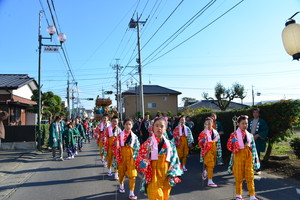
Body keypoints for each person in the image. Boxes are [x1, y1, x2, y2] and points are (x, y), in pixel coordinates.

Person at [135, 117, 183, 200]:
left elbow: (175, 160)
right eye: (156, 126)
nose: (159, 128)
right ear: (153, 128)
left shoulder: (170, 144)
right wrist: (142, 161)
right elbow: (139, 156)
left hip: (166, 174)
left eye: (162, 126)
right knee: (156, 196)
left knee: (164, 196)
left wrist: (174, 173)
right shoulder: (148, 143)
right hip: (153, 174)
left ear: (165, 129)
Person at [227, 115, 260, 200]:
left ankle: (252, 195)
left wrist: (255, 161)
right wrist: (232, 142)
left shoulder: (250, 135)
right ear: (238, 124)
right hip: (238, 155)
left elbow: (253, 148)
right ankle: (238, 195)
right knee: (238, 176)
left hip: (248, 156)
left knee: (250, 175)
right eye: (243, 123)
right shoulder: (234, 134)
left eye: (246, 123)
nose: (245, 125)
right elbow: (229, 147)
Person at [113, 118, 140, 200]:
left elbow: (137, 148)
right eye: (126, 124)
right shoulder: (119, 135)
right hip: (122, 155)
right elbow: (116, 147)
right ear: (123, 125)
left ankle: (131, 192)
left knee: (132, 175)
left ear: (132, 126)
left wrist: (136, 158)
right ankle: (121, 185)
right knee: (121, 172)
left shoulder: (135, 137)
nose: (128, 126)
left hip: (132, 157)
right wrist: (117, 156)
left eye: (130, 124)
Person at [198, 117, 222, 187]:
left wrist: (219, 152)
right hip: (207, 150)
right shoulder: (203, 133)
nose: (208, 124)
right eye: (207, 123)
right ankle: (210, 181)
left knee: (212, 164)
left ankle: (205, 171)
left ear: (212, 123)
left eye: (210, 123)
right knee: (210, 164)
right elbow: (200, 142)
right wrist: (202, 141)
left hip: (214, 149)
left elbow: (218, 142)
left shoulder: (215, 132)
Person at [248, 108, 269, 174]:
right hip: (250, 140)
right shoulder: (250, 120)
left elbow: (265, 130)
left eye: (256, 112)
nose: (255, 114)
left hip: (257, 141)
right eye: (254, 112)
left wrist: (258, 135)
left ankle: (258, 169)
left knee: (257, 155)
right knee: (249, 154)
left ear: (259, 114)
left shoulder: (262, 121)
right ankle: (250, 168)